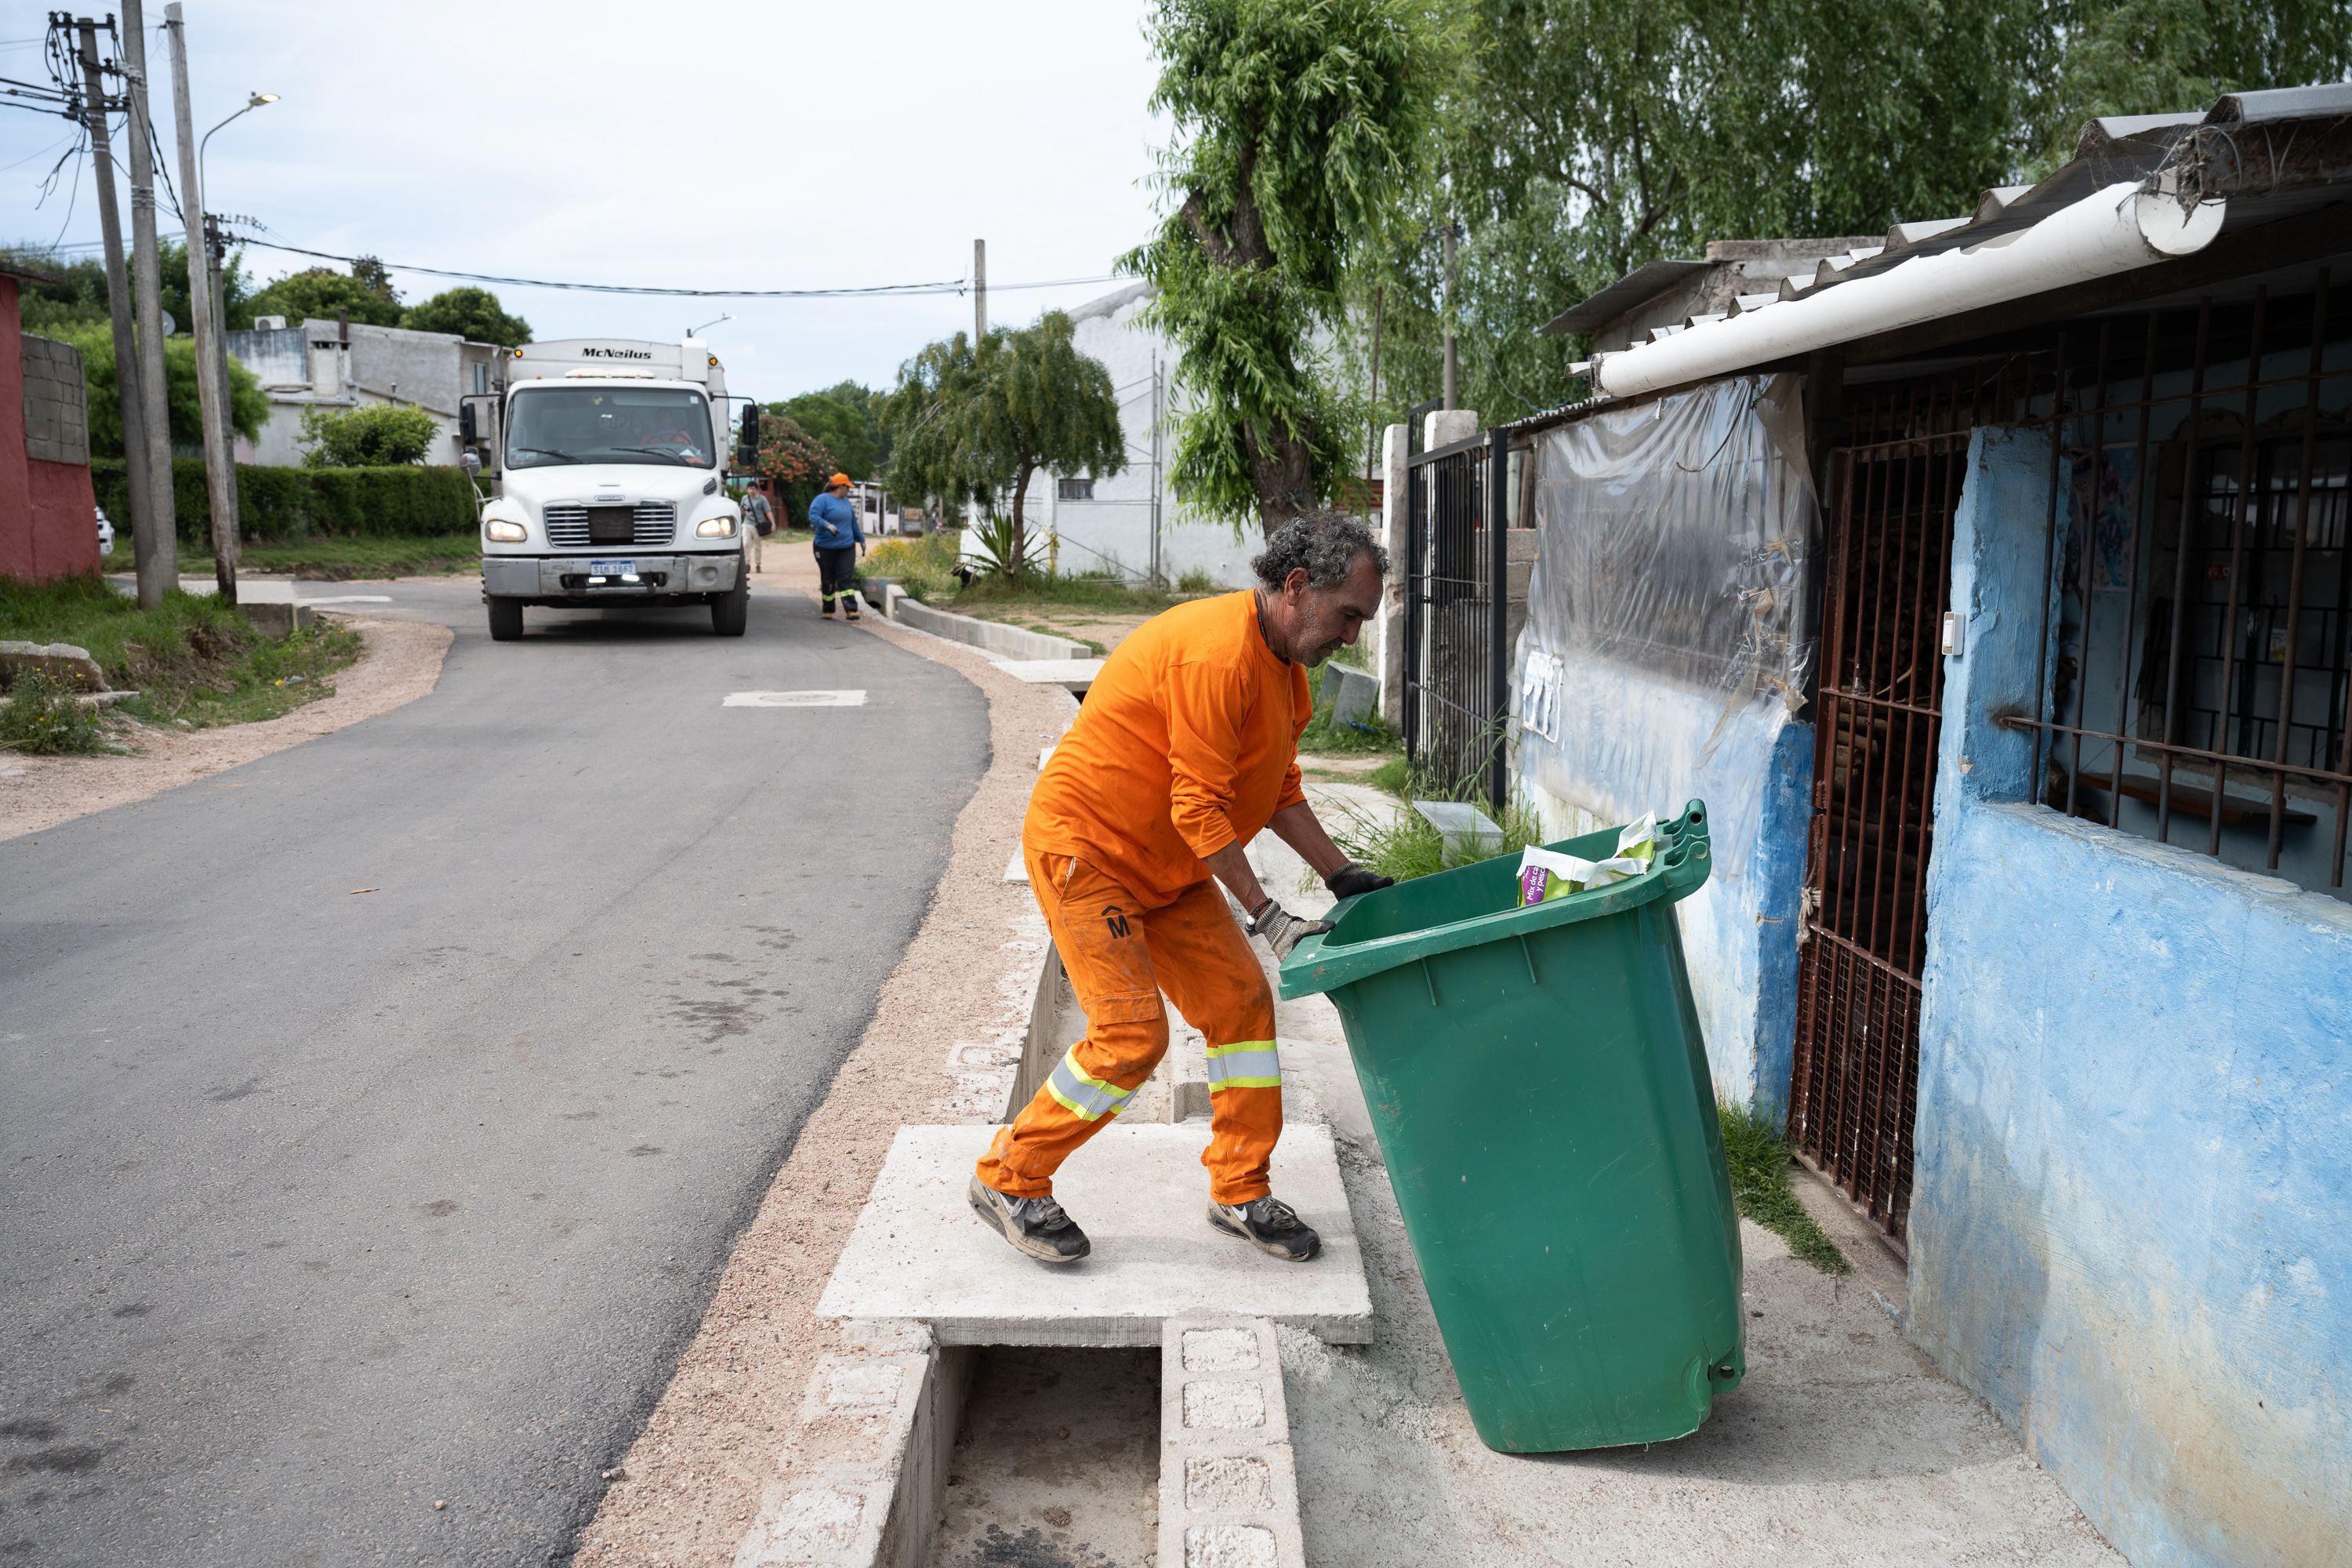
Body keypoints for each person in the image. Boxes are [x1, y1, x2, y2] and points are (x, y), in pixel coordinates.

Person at [970, 512, 1396, 1266]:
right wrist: (1266, 915)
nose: (1353, 637)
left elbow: (1277, 788)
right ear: (1297, 588)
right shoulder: (1213, 657)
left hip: (1168, 863)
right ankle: (1011, 1176)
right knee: (1131, 1037)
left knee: (1239, 1003)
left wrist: (1338, 872)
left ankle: (1240, 1187)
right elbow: (1197, 807)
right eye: (1349, 615)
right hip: (1090, 851)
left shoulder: (1287, 675)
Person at [808, 474, 865, 620]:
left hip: (846, 546)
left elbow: (853, 523)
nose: (849, 490)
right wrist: (827, 525)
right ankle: (828, 609)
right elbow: (813, 516)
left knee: (845, 577)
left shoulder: (846, 503)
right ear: (840, 487)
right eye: (848, 487)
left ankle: (851, 610)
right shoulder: (822, 500)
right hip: (824, 547)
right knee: (828, 578)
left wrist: (861, 539)